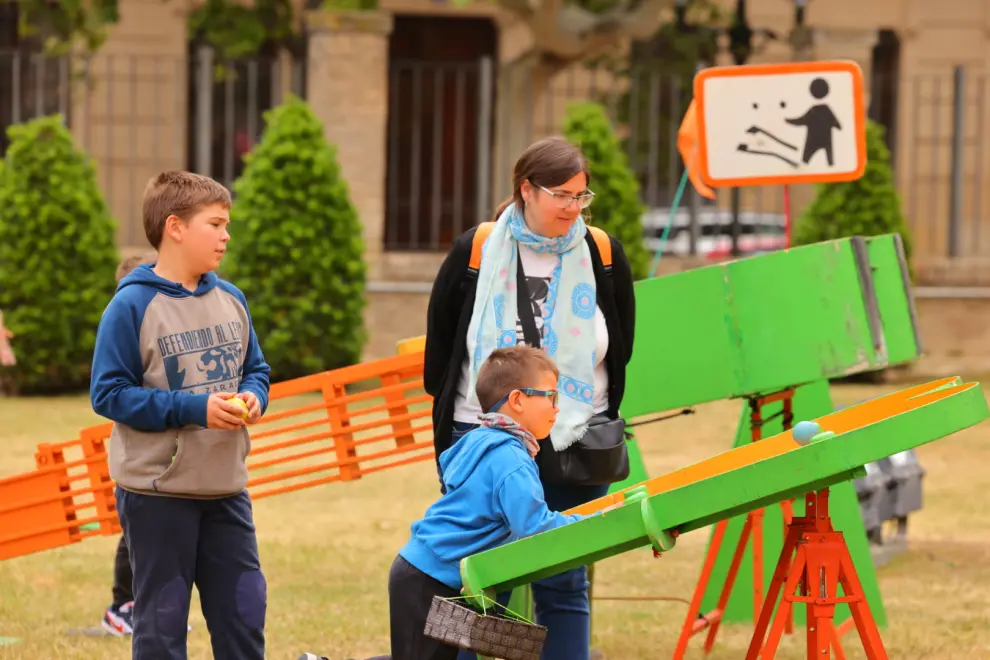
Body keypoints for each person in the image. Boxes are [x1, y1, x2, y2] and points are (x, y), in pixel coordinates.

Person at [423, 136, 637, 660]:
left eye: (581, 196)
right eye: (561, 194)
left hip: (573, 437)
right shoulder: (477, 248)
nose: (572, 207)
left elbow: (622, 345)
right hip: (485, 436)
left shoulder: (601, 251)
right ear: (527, 190)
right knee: (474, 575)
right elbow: (442, 349)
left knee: (564, 577)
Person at [298, 345, 612, 660]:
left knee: (505, 646)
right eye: (551, 397)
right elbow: (535, 526)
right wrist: (597, 524)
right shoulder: (510, 459)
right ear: (518, 400)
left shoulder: (485, 442)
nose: (557, 408)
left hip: (436, 581)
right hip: (429, 583)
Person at [90, 171, 271, 660]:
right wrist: (196, 409)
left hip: (226, 488)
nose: (226, 235)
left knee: (244, 614)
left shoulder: (231, 299)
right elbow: (108, 395)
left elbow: (256, 370)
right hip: (158, 494)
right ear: (175, 227)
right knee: (163, 625)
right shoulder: (131, 304)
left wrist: (254, 396)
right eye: (215, 224)